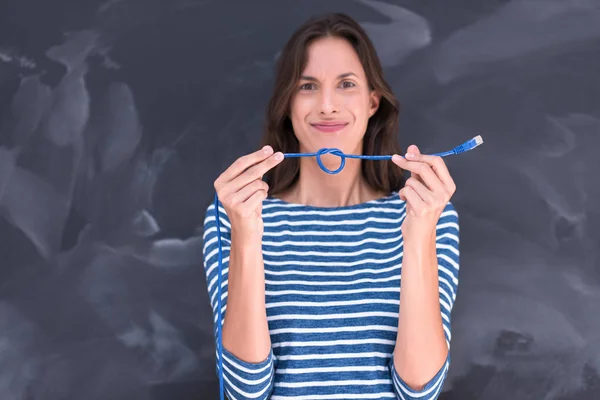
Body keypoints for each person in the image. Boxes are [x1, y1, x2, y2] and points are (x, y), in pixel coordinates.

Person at [202, 12, 459, 400]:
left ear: (373, 101)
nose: (326, 105)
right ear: (287, 103)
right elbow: (246, 391)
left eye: (346, 84)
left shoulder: (427, 213)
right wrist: (247, 233)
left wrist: (419, 231)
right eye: (307, 86)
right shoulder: (234, 213)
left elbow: (419, 391)